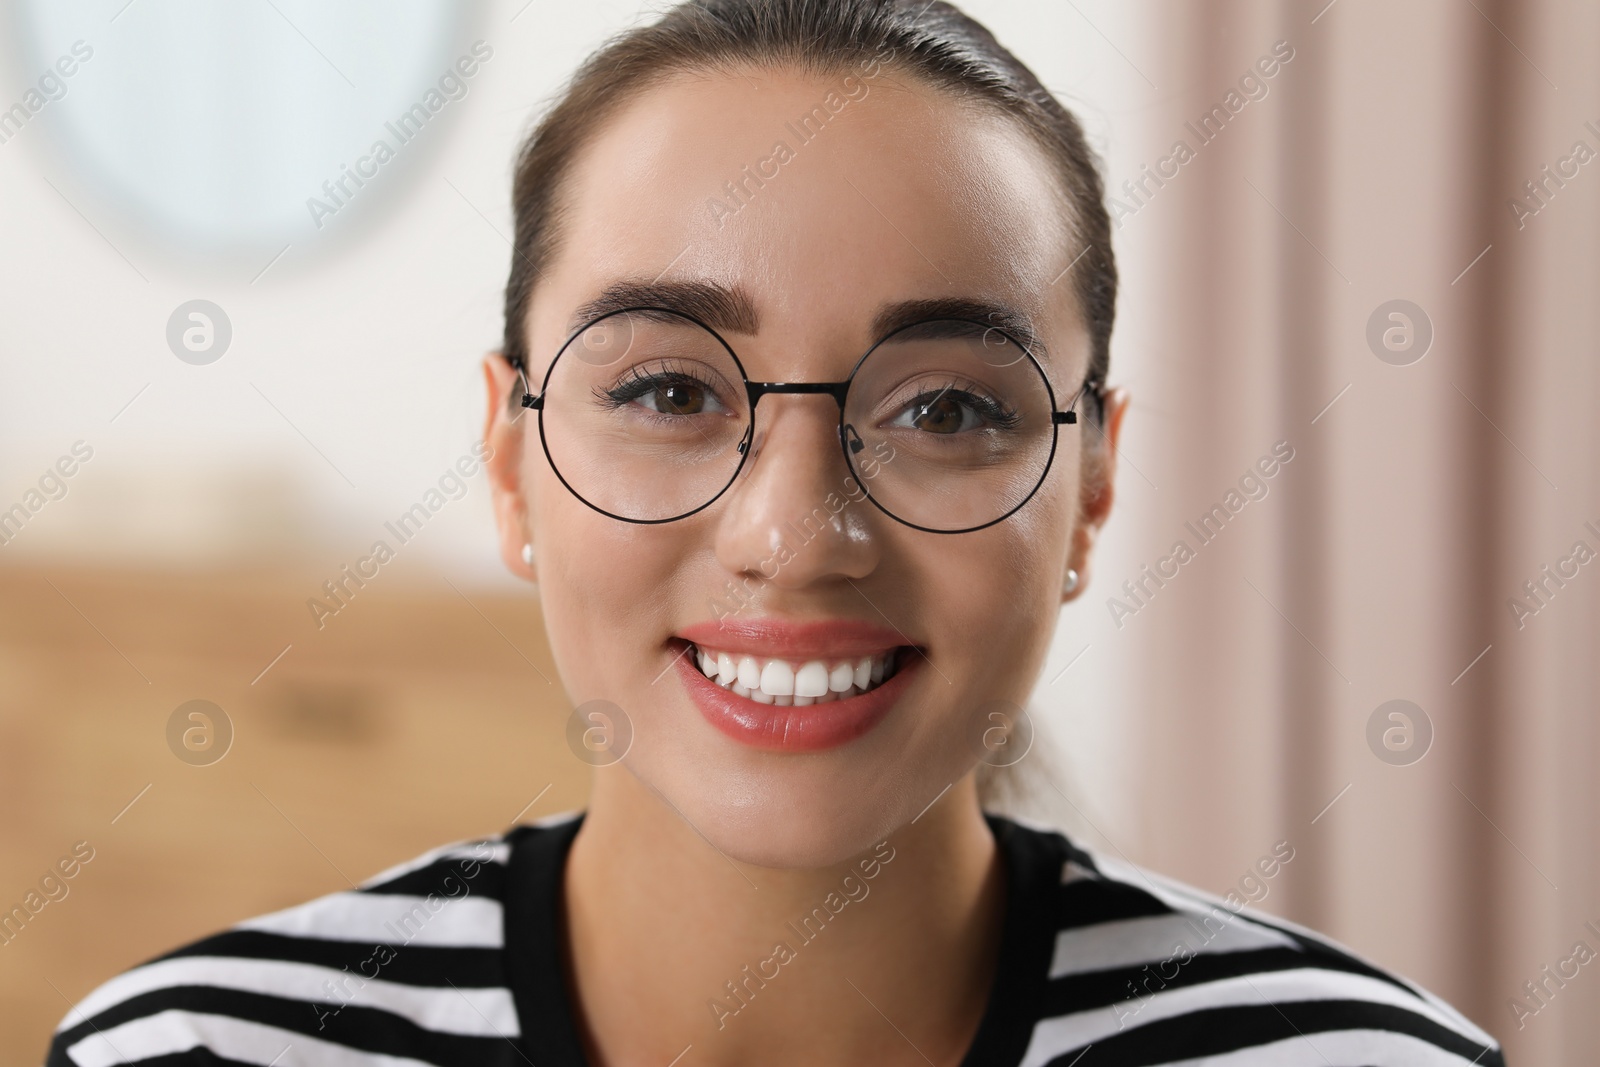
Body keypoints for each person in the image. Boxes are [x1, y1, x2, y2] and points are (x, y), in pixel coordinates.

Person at [46, 1, 1506, 1064]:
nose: (796, 535)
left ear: (1094, 492)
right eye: (671, 389)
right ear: (510, 467)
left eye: (943, 412)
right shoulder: (187, 1055)